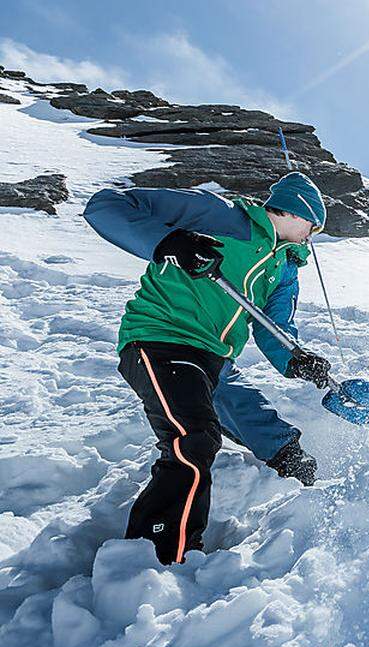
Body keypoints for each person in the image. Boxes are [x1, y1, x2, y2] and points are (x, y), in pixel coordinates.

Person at [83, 172, 333, 565]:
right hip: (161, 338)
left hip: (213, 359)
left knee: (256, 419)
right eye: (313, 226)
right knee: (194, 438)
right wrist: (169, 242)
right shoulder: (220, 217)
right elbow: (106, 206)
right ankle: (158, 552)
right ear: (298, 211)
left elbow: (275, 329)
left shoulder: (283, 269)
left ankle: (296, 468)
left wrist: (297, 359)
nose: (311, 236)